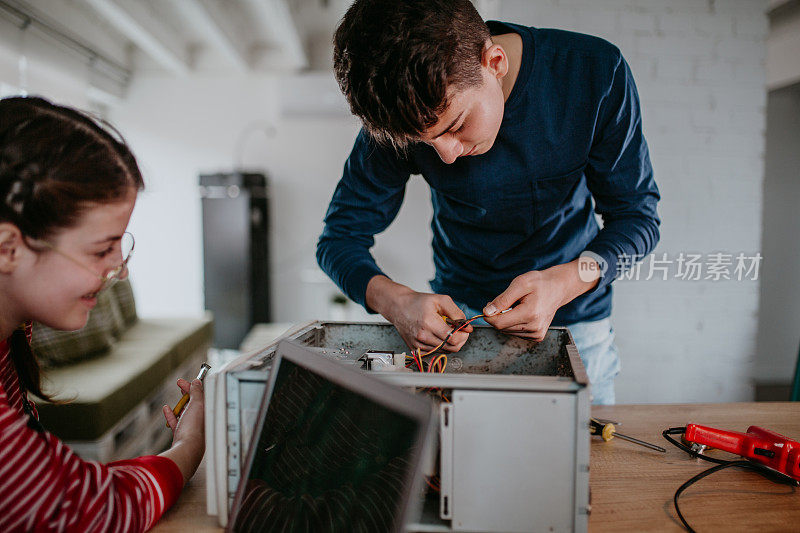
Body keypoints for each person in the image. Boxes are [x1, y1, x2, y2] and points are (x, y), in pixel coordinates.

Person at [317, 0, 661, 404]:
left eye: (457, 125)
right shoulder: (400, 114)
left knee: (583, 465)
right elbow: (338, 240)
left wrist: (568, 281)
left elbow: (637, 220)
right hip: (459, 330)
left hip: (577, 327)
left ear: (494, 62)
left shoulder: (594, 72)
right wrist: (396, 302)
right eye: (424, 143)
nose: (445, 156)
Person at [0, 96, 204, 531]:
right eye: (101, 250)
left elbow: (48, 486)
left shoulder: (15, 334)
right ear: (8, 248)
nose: (120, 268)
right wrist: (188, 447)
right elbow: (84, 511)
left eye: (119, 244)